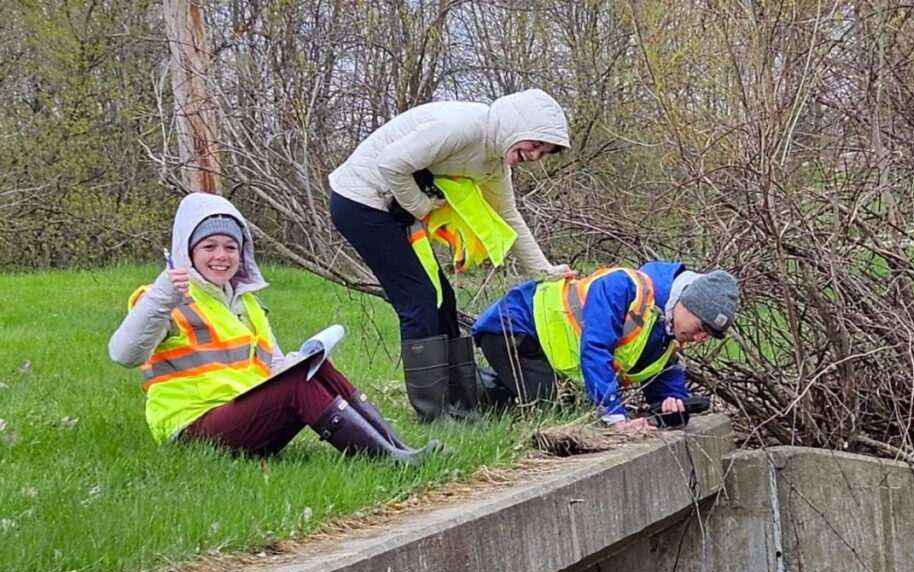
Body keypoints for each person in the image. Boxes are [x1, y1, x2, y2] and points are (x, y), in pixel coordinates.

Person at [109, 192, 441, 464]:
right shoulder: (164, 297)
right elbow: (124, 354)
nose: (221, 256)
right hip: (191, 430)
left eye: (230, 247)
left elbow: (270, 365)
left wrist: (298, 361)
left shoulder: (246, 304)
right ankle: (384, 460)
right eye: (209, 247)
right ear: (188, 253)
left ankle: (397, 449)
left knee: (316, 368)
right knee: (297, 385)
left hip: (240, 416)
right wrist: (165, 293)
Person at [328, 88, 576, 422]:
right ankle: (433, 415)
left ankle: (461, 403)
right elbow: (391, 164)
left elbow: (507, 216)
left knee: (443, 297)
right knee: (418, 298)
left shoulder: (494, 164)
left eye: (543, 153)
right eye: (534, 145)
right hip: (359, 201)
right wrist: (421, 206)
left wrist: (544, 271)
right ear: (517, 126)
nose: (534, 156)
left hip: (392, 209)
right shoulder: (462, 127)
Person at [471, 262, 739, 431]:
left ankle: (486, 389)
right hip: (513, 330)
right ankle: (468, 393)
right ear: (686, 302)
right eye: (702, 327)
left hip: (542, 353)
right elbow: (595, 349)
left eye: (710, 336)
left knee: (565, 412)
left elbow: (669, 396)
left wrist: (672, 411)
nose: (700, 338)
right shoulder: (622, 286)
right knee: (558, 422)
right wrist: (616, 418)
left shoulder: (667, 338)